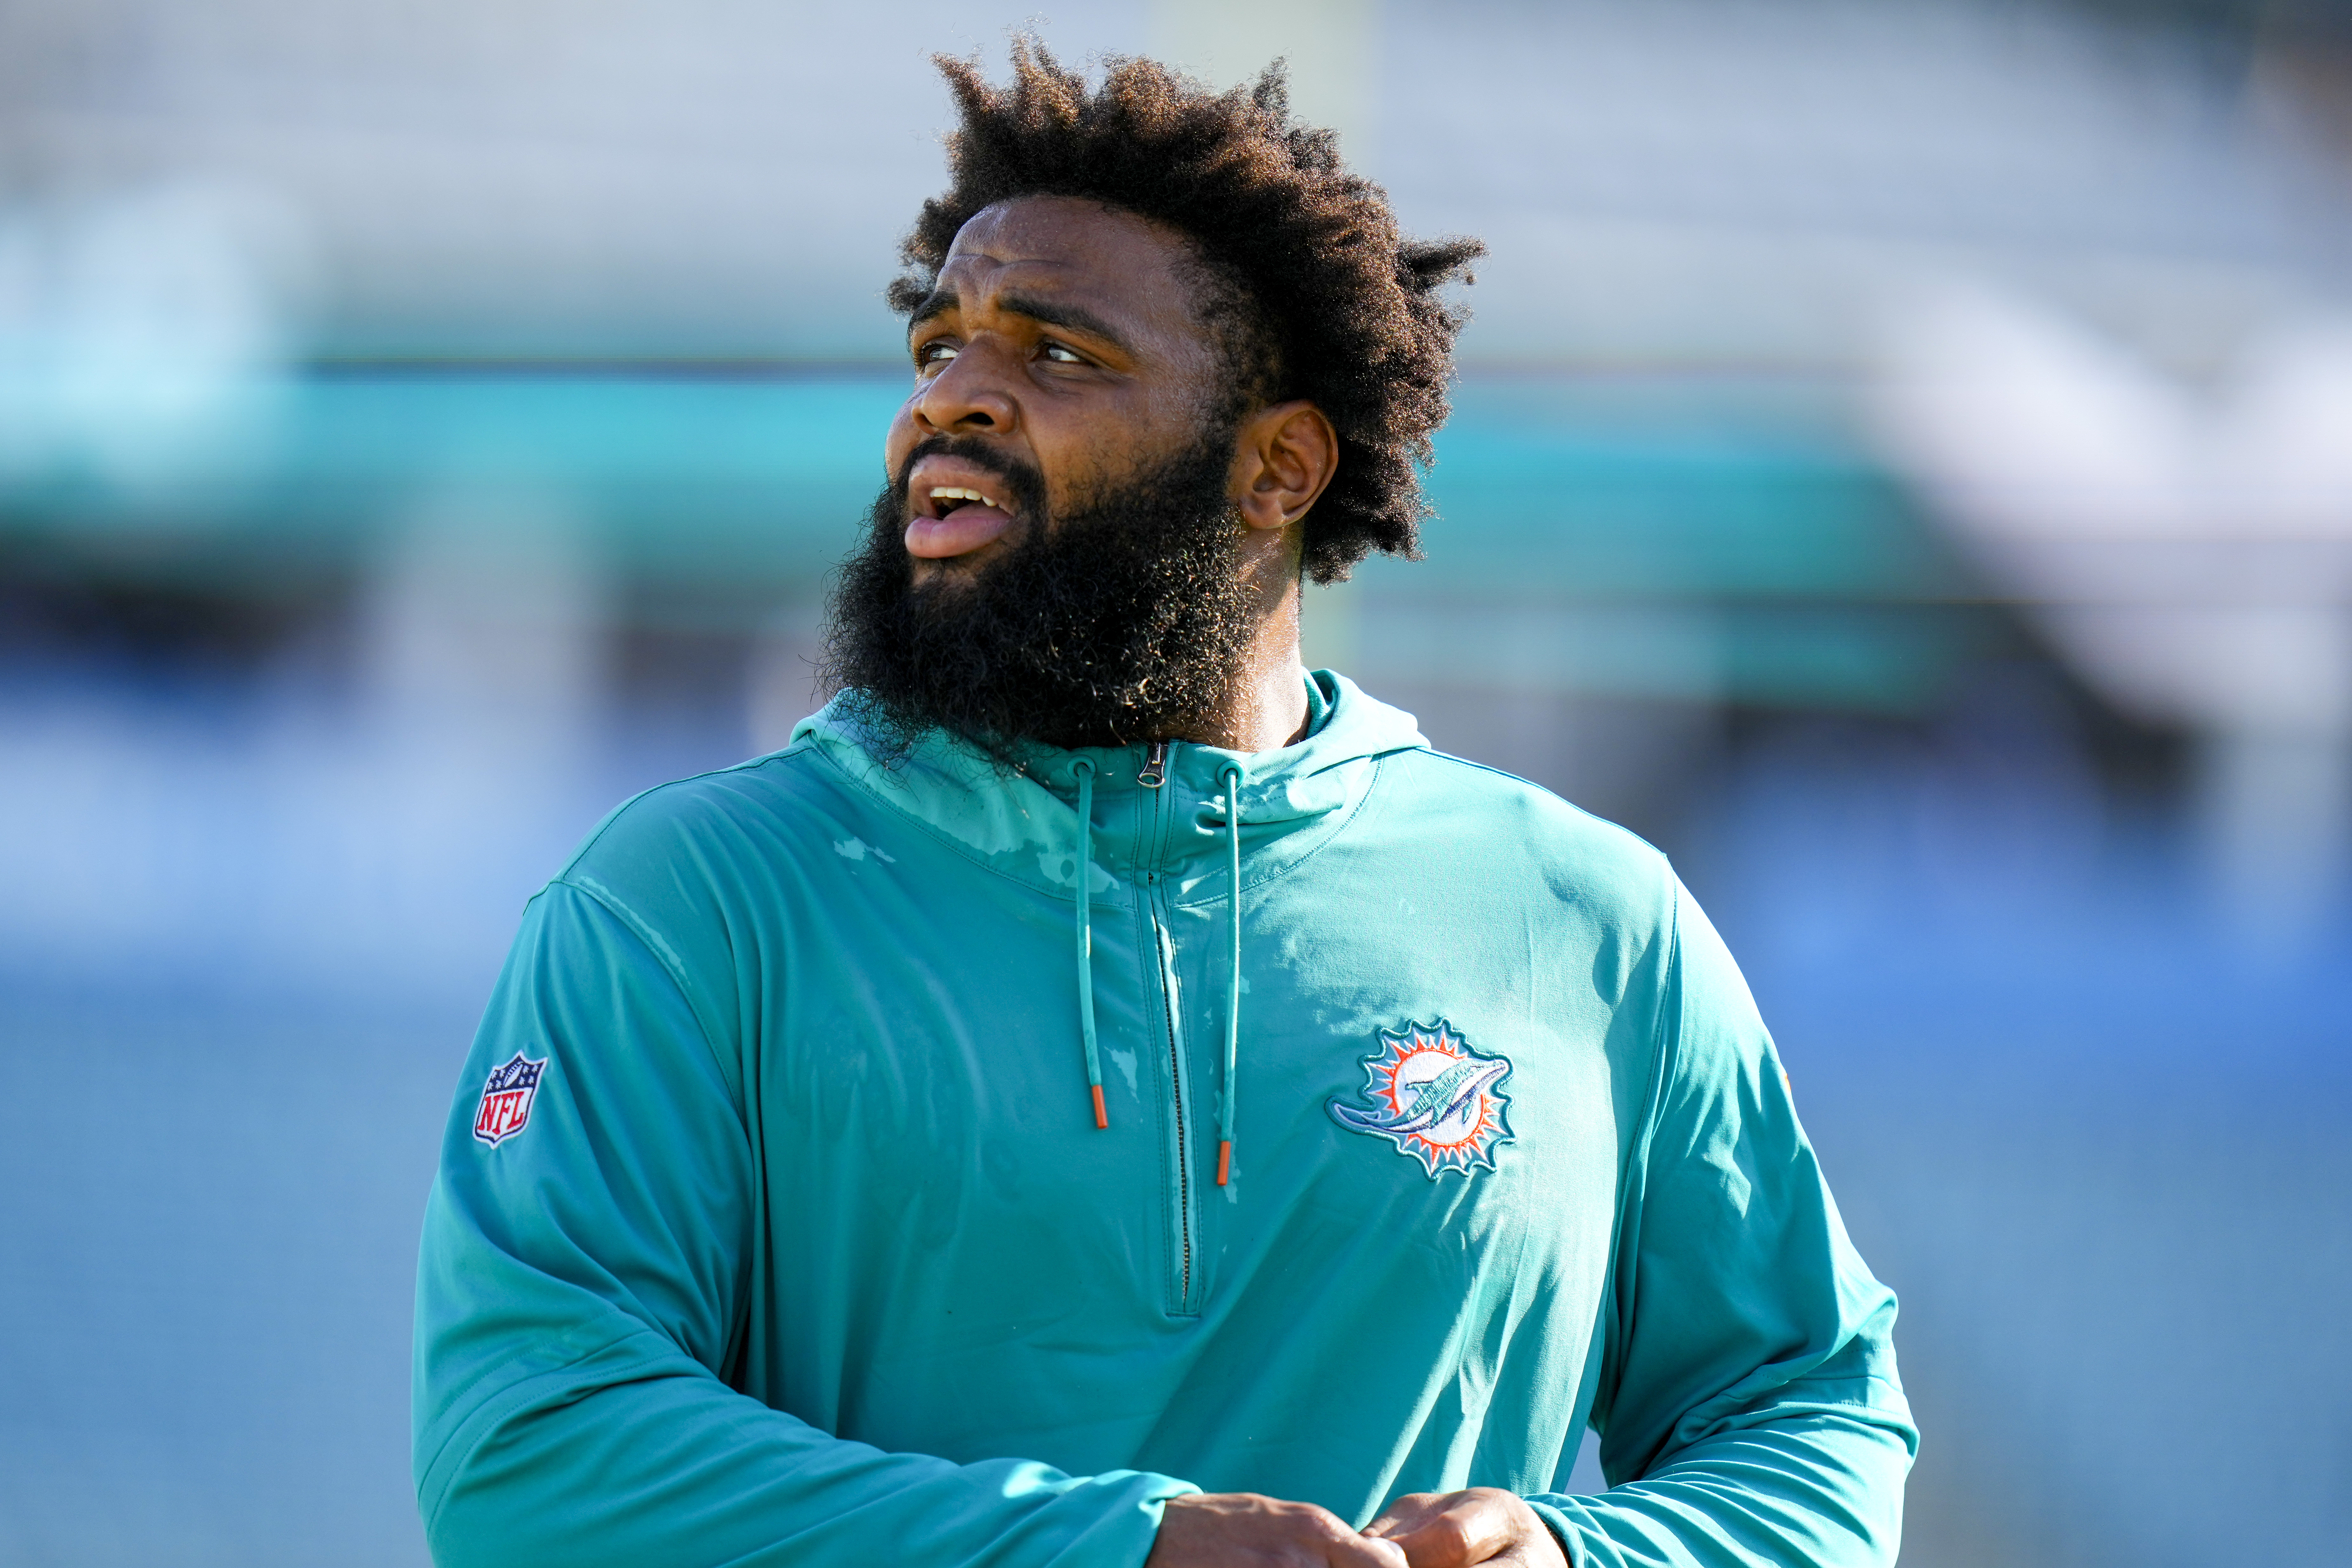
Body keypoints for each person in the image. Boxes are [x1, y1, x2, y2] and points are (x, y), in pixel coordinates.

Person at [412, 42, 1915, 1568]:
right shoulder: (689, 900)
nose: (953, 404)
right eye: (939, 348)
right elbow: (528, 1456)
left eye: (1056, 354)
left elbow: (1815, 1420)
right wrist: (1119, 1550)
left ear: (1277, 467)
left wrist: (1581, 1557)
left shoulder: (1584, 917)